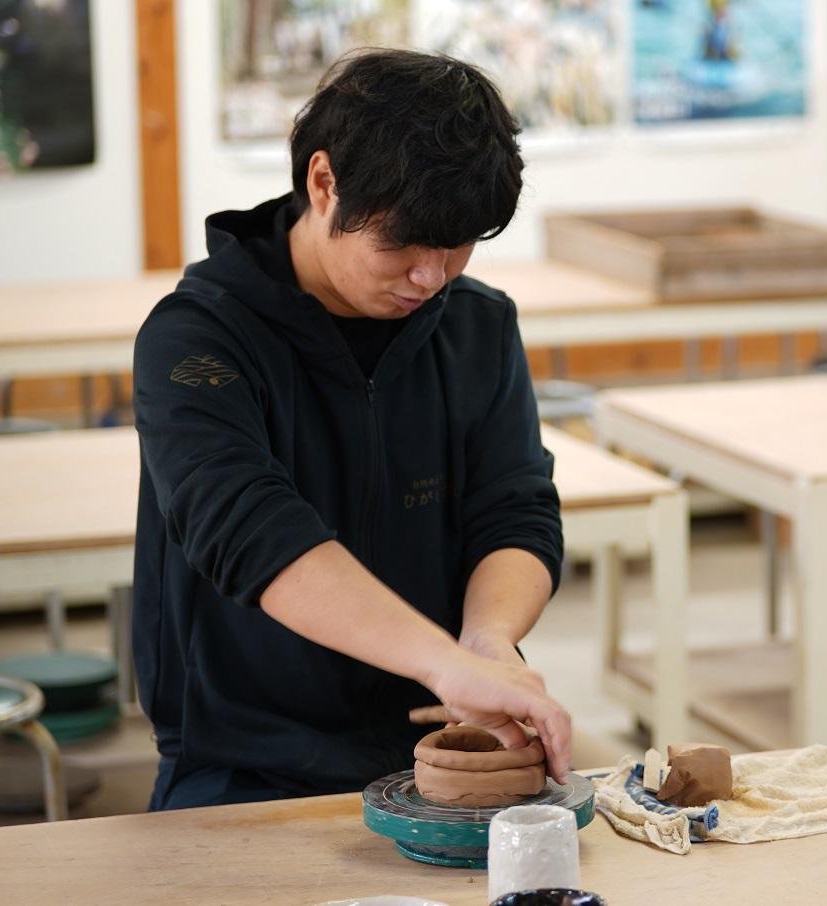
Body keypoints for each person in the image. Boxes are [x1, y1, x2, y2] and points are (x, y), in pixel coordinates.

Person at [132, 49, 571, 809]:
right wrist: (441, 661)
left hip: (438, 748)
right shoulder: (197, 338)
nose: (431, 276)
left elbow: (516, 507)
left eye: (457, 243)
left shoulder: (477, 327)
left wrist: (486, 641)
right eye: (401, 243)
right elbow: (249, 529)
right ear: (324, 182)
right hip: (246, 762)